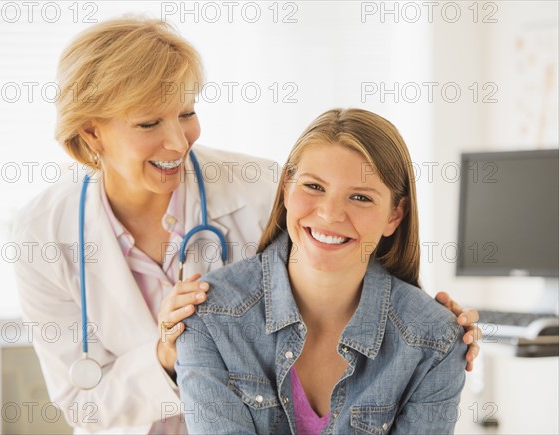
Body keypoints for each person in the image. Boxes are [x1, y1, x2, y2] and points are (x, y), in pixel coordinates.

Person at [12, 17, 480, 434]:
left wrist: (436, 327)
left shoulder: (257, 187)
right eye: (149, 122)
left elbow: (342, 250)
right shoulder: (42, 233)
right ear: (92, 131)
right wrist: (169, 356)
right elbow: (82, 403)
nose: (178, 141)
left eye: (187, 113)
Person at [176, 108, 468, 434]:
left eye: (360, 197)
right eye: (314, 187)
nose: (330, 215)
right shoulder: (209, 317)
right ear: (287, 187)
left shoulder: (434, 340)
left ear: (394, 216)